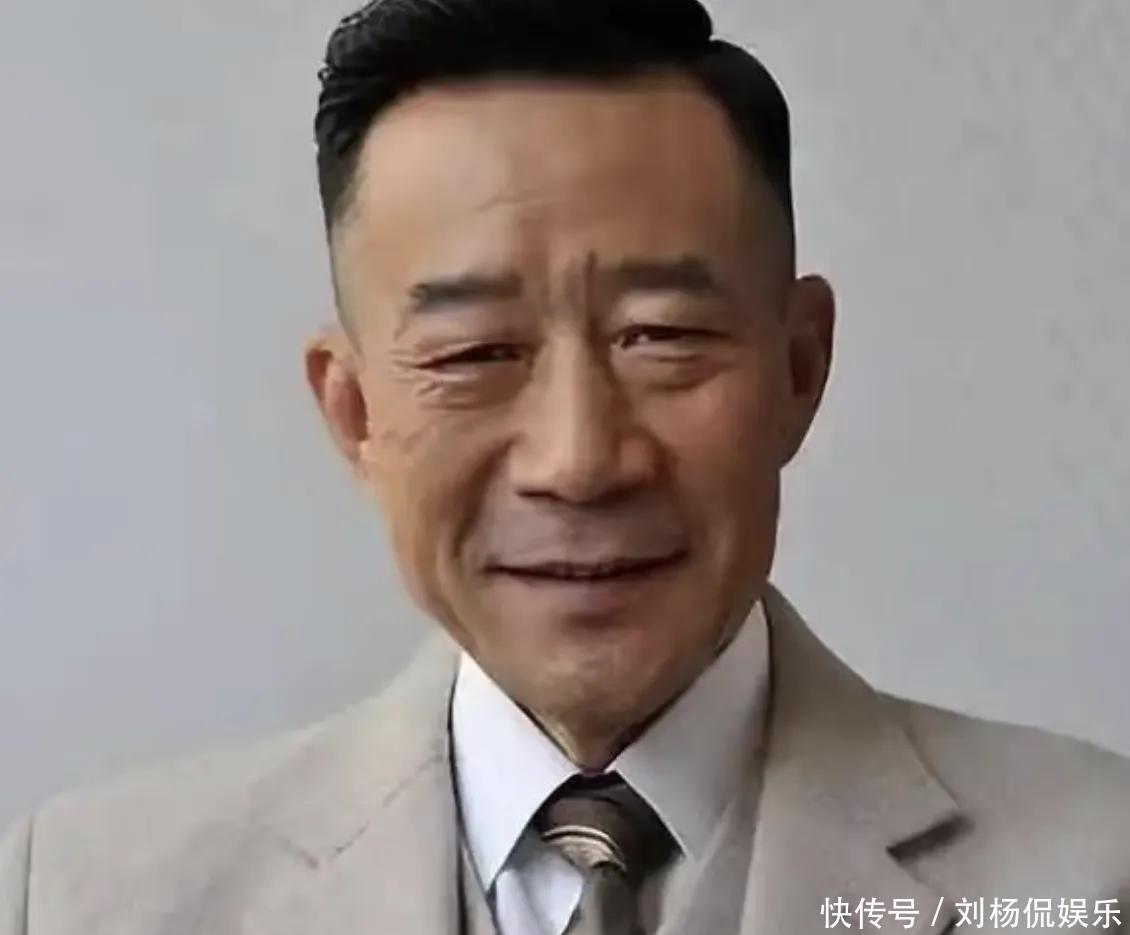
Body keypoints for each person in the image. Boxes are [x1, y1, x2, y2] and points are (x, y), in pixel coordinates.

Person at [3, 1, 1129, 932]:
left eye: (662, 336)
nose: (580, 460)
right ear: (354, 412)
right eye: (475, 353)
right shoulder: (85, 898)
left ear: (799, 367)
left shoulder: (1092, 874)